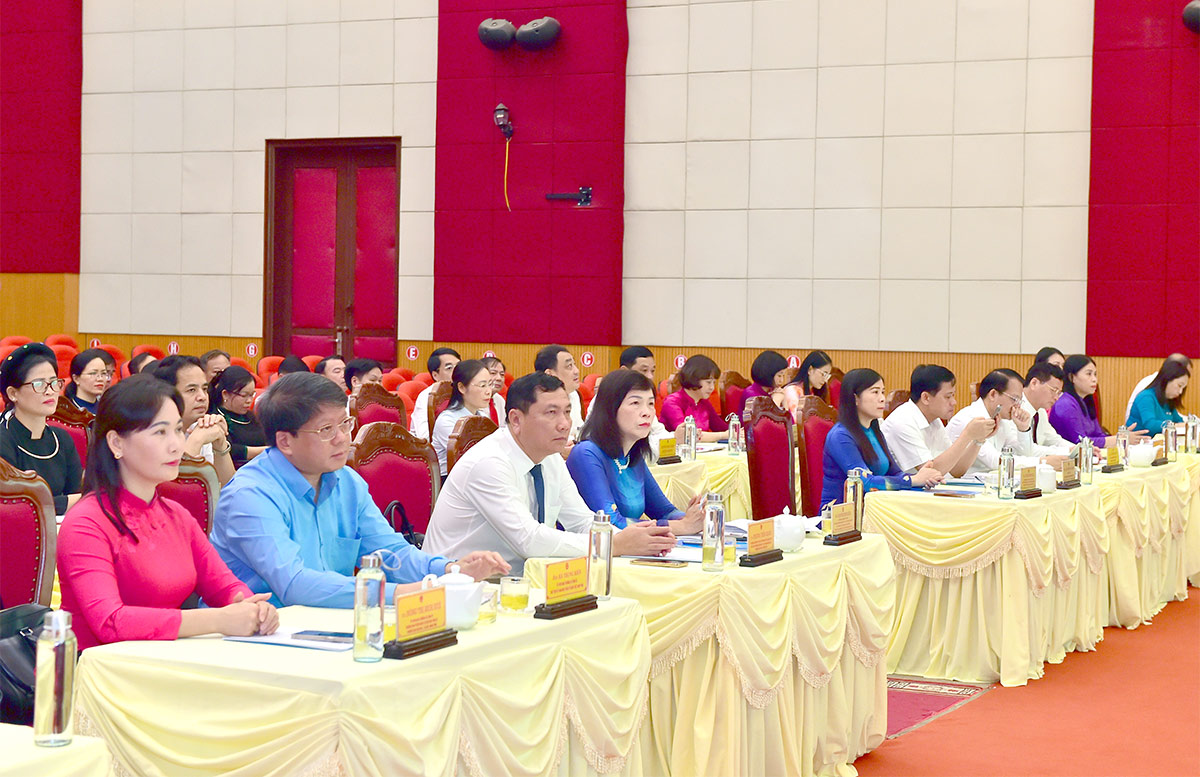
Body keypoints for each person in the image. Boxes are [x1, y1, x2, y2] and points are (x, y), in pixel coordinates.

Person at [211, 373, 509, 607]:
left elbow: (390, 553)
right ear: (285, 441)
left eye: (345, 424)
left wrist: (451, 571)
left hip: (326, 628)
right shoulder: (250, 495)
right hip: (252, 636)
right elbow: (294, 584)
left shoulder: (347, 482)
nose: (343, 438)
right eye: (326, 430)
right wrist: (411, 591)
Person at [56, 375, 278, 650]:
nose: (176, 445)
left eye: (178, 430)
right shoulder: (86, 523)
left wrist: (252, 608)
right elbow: (110, 622)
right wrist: (218, 620)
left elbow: (225, 587)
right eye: (160, 432)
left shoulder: (176, 515)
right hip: (98, 667)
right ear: (116, 443)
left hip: (163, 659)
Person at [423, 373, 677, 575]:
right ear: (516, 420)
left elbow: (581, 521)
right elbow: (528, 539)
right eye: (551, 413)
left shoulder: (550, 457)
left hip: (523, 579)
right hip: (461, 585)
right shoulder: (489, 463)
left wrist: (633, 539)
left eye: (567, 412)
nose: (565, 424)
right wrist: (614, 544)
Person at [567, 369, 703, 532]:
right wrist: (682, 526)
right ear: (610, 408)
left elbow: (665, 512)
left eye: (650, 404)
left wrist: (695, 518)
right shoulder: (586, 454)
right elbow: (609, 523)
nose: (647, 413)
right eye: (635, 403)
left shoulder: (632, 455)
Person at [821, 369, 942, 506]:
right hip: (841, 514)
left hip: (875, 508)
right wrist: (912, 481)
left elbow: (895, 473)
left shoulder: (874, 430)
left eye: (882, 392)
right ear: (855, 398)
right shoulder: (840, 436)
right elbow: (864, 483)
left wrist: (923, 477)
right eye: (875, 392)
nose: (882, 398)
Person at [0, 343, 82, 512]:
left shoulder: (62, 438)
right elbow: (15, 506)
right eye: (39, 384)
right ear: (13, 393)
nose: (50, 391)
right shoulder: (4, 439)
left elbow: (77, 496)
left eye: (54, 382)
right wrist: (69, 502)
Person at [879, 364, 995, 477]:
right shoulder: (903, 422)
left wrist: (978, 439)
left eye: (953, 396)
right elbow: (930, 473)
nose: (954, 402)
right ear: (926, 398)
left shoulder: (934, 420)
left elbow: (956, 470)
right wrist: (966, 435)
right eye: (948, 396)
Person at [946, 369, 1067, 475]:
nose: (1017, 406)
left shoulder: (1000, 419)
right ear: (993, 394)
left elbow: (1024, 453)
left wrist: (1023, 429)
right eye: (1014, 399)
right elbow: (995, 461)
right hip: (956, 485)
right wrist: (1042, 462)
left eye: (1019, 400)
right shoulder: (970, 418)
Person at [150, 356, 235, 485]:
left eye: (204, 389)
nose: (202, 397)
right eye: (191, 390)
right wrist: (196, 440)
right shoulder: (151, 432)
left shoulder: (201, 427)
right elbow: (168, 488)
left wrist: (220, 444)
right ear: (167, 394)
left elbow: (229, 488)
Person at [1049, 355, 1147, 447]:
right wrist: (1118, 439)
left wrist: (1120, 437)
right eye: (1089, 374)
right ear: (1072, 377)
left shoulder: (1085, 401)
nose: (1094, 379)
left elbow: (1099, 435)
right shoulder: (1065, 404)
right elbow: (1080, 442)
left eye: (1095, 374)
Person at [430, 360, 493, 476]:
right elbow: (469, 458)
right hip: (450, 478)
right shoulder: (447, 421)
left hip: (479, 475)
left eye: (490, 384)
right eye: (483, 386)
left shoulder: (483, 417)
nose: (489, 391)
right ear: (462, 387)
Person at [618, 345, 673, 458]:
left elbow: (658, 432)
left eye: (652, 371)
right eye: (644, 370)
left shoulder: (646, 397)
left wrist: (675, 437)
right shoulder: (608, 396)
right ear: (624, 371)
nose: (650, 376)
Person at [660, 355, 728, 441]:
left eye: (714, 383)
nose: (712, 387)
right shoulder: (672, 402)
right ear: (694, 379)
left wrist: (735, 431)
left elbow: (721, 427)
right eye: (708, 382)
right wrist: (723, 435)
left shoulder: (704, 402)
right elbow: (688, 435)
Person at [211, 365, 267, 468]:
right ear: (225, 394)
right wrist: (266, 451)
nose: (249, 401)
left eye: (252, 395)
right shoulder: (215, 419)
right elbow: (230, 450)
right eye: (244, 395)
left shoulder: (250, 416)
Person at [1126, 357, 1189, 434]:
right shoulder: (1146, 397)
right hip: (1139, 441)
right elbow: (1151, 425)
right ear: (1167, 379)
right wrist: (1175, 426)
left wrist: (1180, 425)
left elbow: (1179, 421)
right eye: (1179, 385)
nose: (1180, 392)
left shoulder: (1168, 400)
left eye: (1183, 388)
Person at [534, 344, 584, 440]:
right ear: (549, 374)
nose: (576, 371)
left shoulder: (573, 395)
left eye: (574, 364)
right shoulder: (536, 401)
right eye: (569, 366)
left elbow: (579, 430)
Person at [1021, 361, 1072, 451]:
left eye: (1058, 393)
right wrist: (1066, 451)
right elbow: (1026, 450)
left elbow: (1053, 439)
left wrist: (1079, 449)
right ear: (1034, 383)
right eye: (1053, 390)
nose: (1056, 398)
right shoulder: (1015, 407)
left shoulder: (1040, 411)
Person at [410, 348, 460, 440]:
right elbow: (425, 436)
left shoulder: (466, 391)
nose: (456, 371)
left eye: (458, 366)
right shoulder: (427, 397)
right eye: (449, 368)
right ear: (435, 375)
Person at [783, 350, 834, 415]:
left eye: (827, 376)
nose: (825, 380)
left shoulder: (813, 392)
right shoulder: (792, 391)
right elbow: (796, 419)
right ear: (810, 370)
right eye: (823, 374)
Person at [64, 347, 115, 413]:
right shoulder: (66, 411)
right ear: (76, 378)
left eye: (103, 373)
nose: (100, 379)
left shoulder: (108, 409)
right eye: (93, 373)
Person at [739, 350, 789, 415]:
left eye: (783, 376)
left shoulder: (774, 391)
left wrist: (785, 402)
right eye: (779, 376)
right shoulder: (751, 395)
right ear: (768, 374)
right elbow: (764, 420)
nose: (781, 380)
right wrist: (775, 402)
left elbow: (790, 421)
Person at [481, 356, 507, 427]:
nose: (499, 378)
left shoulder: (500, 400)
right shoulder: (473, 399)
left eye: (502, 374)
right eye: (493, 373)